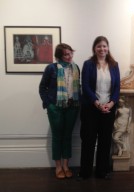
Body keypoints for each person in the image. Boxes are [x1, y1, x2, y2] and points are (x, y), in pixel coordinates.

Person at [79, 36, 120, 180]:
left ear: (108, 48)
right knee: (88, 140)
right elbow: (85, 86)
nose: (102, 49)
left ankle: (102, 171)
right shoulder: (88, 64)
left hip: (108, 109)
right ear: (94, 48)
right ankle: (85, 173)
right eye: (99, 46)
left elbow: (117, 88)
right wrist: (97, 103)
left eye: (104, 46)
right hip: (91, 109)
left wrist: (111, 103)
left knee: (105, 141)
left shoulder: (114, 65)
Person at [39, 43, 80, 179]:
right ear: (59, 56)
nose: (69, 56)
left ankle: (66, 166)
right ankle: (58, 166)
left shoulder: (76, 68)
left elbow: (78, 87)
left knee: (67, 136)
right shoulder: (51, 68)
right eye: (66, 54)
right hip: (55, 107)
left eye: (71, 53)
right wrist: (48, 104)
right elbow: (42, 87)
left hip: (72, 107)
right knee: (57, 137)